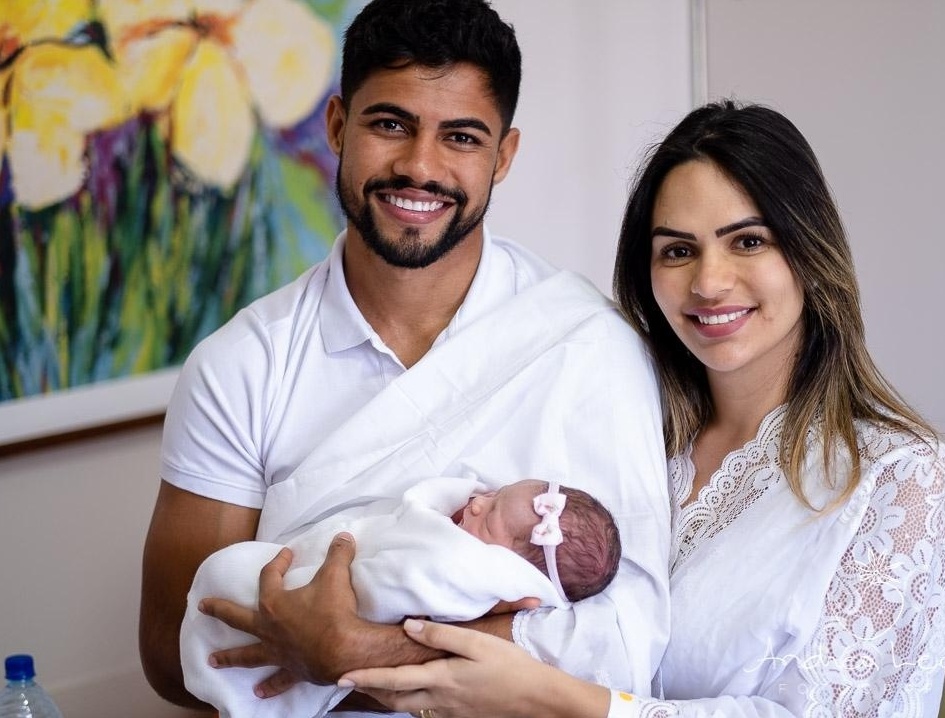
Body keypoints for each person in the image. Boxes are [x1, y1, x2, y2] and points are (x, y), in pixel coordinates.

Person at [323, 100, 945, 716]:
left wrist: (555, 700)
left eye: (748, 241)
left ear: (809, 251)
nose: (709, 282)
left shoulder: (899, 477)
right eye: (677, 251)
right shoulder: (618, 431)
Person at [139, 0, 670, 713]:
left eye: (461, 137)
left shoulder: (586, 344)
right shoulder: (239, 367)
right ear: (337, 127)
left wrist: (361, 652)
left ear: (503, 157)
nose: (420, 167)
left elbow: (626, 636)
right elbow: (174, 648)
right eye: (391, 124)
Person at [182, 476, 621, 718]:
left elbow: (387, 587)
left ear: (516, 582)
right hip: (291, 570)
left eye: (489, 520)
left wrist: (343, 630)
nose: (475, 504)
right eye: (493, 495)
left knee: (232, 578)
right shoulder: (469, 521)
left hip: (314, 599)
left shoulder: (462, 572)